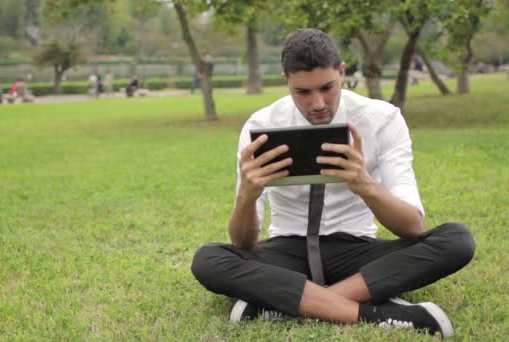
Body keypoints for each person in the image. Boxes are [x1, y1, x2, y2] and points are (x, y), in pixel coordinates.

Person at [190, 28, 475, 339]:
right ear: (286, 80)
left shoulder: (382, 119)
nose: (318, 103)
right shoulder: (261, 125)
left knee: (456, 240)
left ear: (342, 72)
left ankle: (285, 302)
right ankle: (375, 313)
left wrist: (365, 185)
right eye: (303, 92)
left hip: (356, 251)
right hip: (286, 252)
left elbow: (412, 228)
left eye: (327, 87)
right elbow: (244, 244)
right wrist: (247, 195)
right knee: (208, 259)